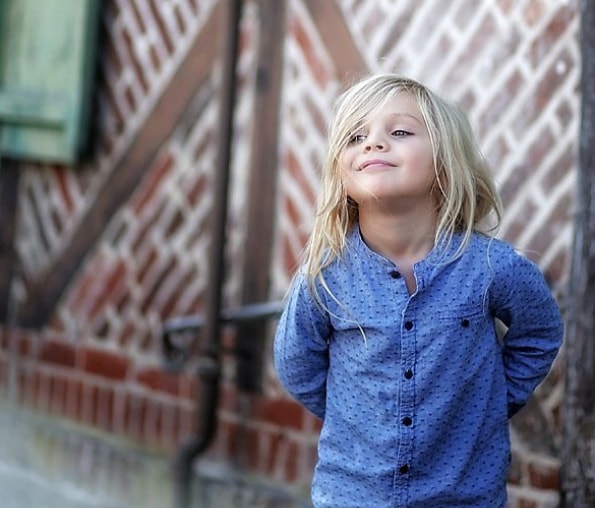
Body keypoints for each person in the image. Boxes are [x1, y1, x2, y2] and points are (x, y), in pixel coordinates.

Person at [273, 74, 564, 507]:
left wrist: (492, 401)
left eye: (400, 132)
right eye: (356, 136)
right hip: (353, 496)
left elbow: (540, 333)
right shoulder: (326, 275)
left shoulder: (491, 268)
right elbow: (297, 362)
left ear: (444, 163)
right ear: (340, 170)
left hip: (465, 497)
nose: (373, 143)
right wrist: (355, 414)